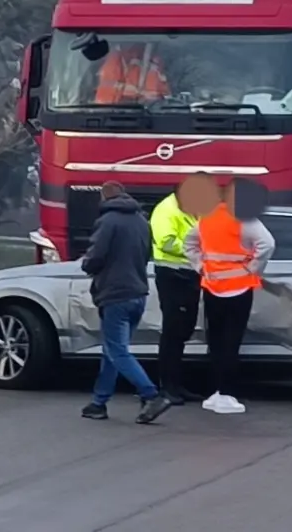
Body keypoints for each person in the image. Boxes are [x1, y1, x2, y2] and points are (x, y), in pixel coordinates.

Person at [80, 181, 172, 424]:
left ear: (104, 197)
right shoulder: (142, 221)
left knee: (117, 351)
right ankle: (99, 403)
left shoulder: (108, 220)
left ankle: (151, 394)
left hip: (115, 294)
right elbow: (145, 255)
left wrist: (87, 265)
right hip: (138, 293)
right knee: (113, 350)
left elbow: (96, 256)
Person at [183, 180, 275, 415]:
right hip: (239, 287)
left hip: (212, 286)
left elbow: (189, 243)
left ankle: (215, 393)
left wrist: (200, 266)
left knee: (215, 342)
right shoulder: (246, 219)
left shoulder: (207, 218)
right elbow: (267, 243)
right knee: (231, 343)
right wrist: (253, 267)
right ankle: (227, 393)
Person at [150, 181, 203, 405]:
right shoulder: (167, 210)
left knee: (182, 330)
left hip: (188, 273)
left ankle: (176, 385)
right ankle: (167, 387)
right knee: (173, 331)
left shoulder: (188, 208)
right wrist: (197, 249)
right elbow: (167, 242)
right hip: (172, 273)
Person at [95, 43, 170, 104]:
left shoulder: (159, 62)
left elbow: (168, 99)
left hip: (152, 112)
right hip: (114, 111)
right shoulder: (115, 61)